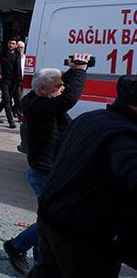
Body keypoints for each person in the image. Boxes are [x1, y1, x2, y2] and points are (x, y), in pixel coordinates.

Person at [29, 75, 137, 277]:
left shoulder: (89, 117)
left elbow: (58, 151)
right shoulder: (125, 135)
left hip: (51, 215)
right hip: (81, 233)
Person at [2, 55, 89, 274]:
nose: (62, 88)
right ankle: (21, 248)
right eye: (58, 86)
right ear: (42, 89)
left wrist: (72, 69)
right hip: (44, 172)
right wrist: (80, 71)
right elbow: (69, 98)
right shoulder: (39, 106)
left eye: (61, 85)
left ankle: (28, 252)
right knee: (52, 219)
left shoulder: (41, 96)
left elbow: (60, 86)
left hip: (51, 169)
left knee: (51, 218)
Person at [0, 38, 21, 128]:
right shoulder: (1, 53)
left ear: (15, 46)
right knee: (7, 100)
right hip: (4, 81)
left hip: (14, 81)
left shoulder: (17, 54)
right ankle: (11, 121)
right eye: (10, 43)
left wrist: (19, 81)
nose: (11, 45)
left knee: (6, 100)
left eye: (13, 43)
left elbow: (18, 68)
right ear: (7, 44)